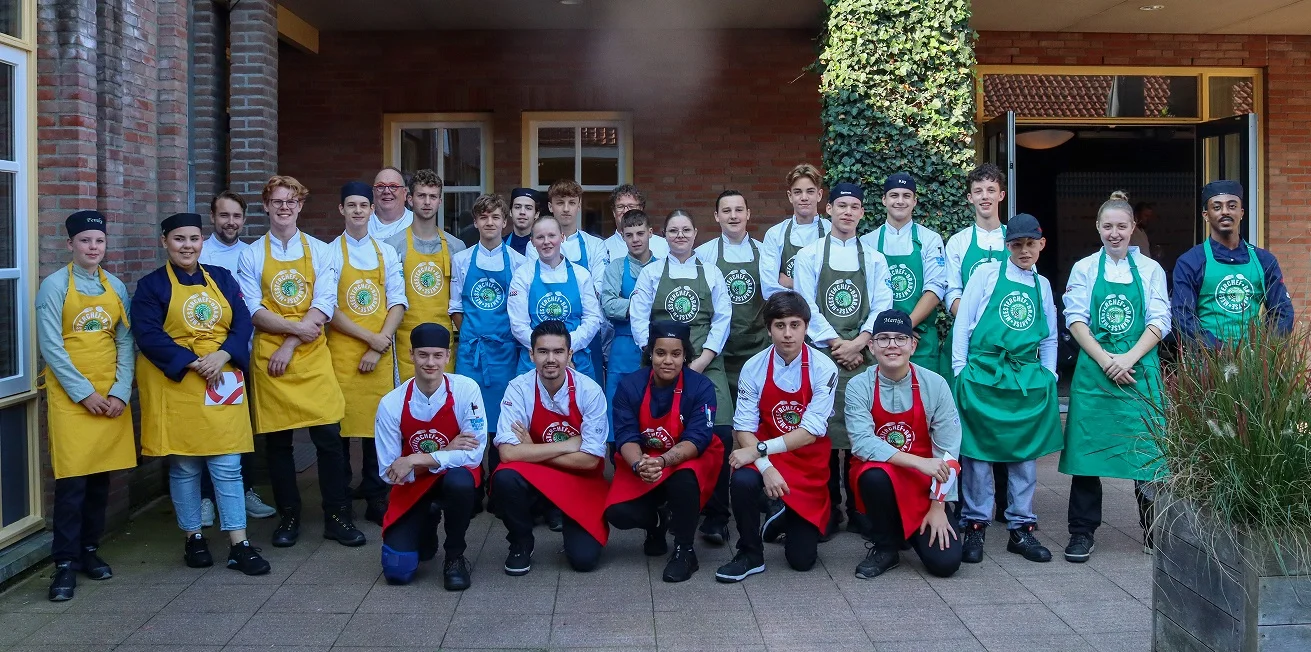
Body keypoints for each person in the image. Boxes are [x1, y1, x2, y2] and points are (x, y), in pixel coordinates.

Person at [131, 212, 270, 576]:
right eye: (179, 239)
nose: (187, 246)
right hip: (176, 382)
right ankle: (193, 537)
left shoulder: (222, 278)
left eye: (194, 239)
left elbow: (242, 321)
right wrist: (193, 362)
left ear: (201, 242)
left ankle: (239, 543)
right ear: (165, 242)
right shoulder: (150, 286)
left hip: (221, 379)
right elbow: (147, 335)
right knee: (185, 465)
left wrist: (222, 355)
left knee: (227, 466)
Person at [236, 175, 365, 548]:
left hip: (308, 356)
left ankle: (337, 516)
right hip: (268, 358)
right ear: (266, 205)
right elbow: (252, 309)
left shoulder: (321, 251)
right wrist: (297, 331)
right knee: (278, 445)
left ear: (301, 206)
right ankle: (288, 516)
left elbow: (323, 304)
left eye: (292, 201)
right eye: (278, 201)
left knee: (328, 437)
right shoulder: (252, 254)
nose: (285, 207)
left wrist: (289, 344)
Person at [1061, 191, 1170, 562]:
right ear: (1098, 227)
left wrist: (1127, 358)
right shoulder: (1085, 268)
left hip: (1140, 373)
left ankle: (1154, 530)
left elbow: (1159, 320)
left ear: (1132, 228)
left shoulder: (1152, 270)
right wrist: (1107, 360)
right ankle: (1081, 533)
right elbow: (1075, 319)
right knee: (1086, 457)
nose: (1114, 233)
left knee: (1148, 456)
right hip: (1096, 374)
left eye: (1121, 226)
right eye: (1107, 226)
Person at [36, 210, 137, 601]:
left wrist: (119, 391)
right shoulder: (54, 287)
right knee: (72, 483)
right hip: (72, 399)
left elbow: (126, 342)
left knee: (99, 480)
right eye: (85, 241)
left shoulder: (115, 286)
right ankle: (64, 564)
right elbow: (52, 347)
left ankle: (90, 552)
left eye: (99, 241)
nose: (93, 247)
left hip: (110, 397)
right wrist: (85, 394)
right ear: (70, 245)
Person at [952, 213, 1061, 564]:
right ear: (1006, 245)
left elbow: (1050, 336)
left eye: (1031, 244)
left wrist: (1049, 376)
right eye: (1017, 244)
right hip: (983, 376)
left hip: (1026, 380)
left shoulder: (1041, 285)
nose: (1024, 250)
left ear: (1041, 245)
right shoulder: (985, 275)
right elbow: (963, 324)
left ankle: (1021, 529)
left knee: (1024, 457)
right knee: (978, 457)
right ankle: (975, 526)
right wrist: (960, 372)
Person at [715, 291, 838, 582]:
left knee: (802, 561)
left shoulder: (824, 368)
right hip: (768, 458)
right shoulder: (754, 367)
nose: (787, 334)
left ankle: (782, 516)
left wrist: (757, 450)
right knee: (743, 479)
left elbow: (810, 432)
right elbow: (743, 426)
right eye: (780, 325)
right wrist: (766, 466)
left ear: (806, 327)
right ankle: (749, 553)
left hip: (808, 464)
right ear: (769, 328)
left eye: (795, 325)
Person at [629, 210, 735, 544]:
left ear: (695, 233)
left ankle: (716, 515)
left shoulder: (712, 273)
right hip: (660, 365)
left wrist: (700, 362)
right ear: (663, 234)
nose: (679, 235)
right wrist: (660, 361)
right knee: (662, 433)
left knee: (719, 433)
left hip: (706, 362)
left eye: (685, 230)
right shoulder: (651, 272)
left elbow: (722, 319)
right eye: (673, 230)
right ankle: (667, 506)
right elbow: (639, 316)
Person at [794, 182, 893, 537]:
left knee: (858, 435)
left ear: (863, 213)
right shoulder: (809, 256)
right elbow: (806, 306)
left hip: (864, 358)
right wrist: (838, 343)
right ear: (829, 210)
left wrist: (861, 342)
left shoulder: (876, 259)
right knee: (823, 437)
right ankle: (830, 509)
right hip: (822, 358)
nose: (848, 212)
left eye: (854, 206)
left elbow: (882, 303)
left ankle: (859, 508)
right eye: (841, 206)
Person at [845, 309, 963, 579]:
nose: (892, 346)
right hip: (884, 478)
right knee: (873, 476)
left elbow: (948, 452)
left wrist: (938, 506)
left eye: (900, 338)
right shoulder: (859, 386)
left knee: (946, 564)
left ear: (913, 344)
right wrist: (919, 462)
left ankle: (906, 529)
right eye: (884, 339)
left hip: (925, 485)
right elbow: (862, 444)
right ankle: (885, 547)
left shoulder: (936, 384)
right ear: (872, 346)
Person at [604, 321, 723, 582]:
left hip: (682, 460)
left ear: (685, 356)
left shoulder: (701, 387)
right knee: (617, 512)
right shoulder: (630, 386)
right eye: (660, 353)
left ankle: (685, 550)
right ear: (649, 354)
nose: (667, 361)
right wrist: (638, 465)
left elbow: (698, 438)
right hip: (642, 459)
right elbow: (625, 435)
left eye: (676, 354)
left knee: (684, 480)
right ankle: (657, 522)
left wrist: (664, 460)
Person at [492, 320, 611, 574]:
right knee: (504, 477)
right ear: (531, 354)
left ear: (570, 354)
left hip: (581, 480)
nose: (550, 359)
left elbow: (590, 461)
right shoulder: (518, 389)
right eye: (543, 351)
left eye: (558, 352)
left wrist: (533, 448)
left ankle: (566, 518)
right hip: (540, 477)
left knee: (584, 561)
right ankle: (521, 542)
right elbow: (507, 453)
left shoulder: (589, 391)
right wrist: (568, 445)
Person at [374, 323, 484, 590]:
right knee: (397, 572)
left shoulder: (466, 390)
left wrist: (414, 459)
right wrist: (447, 451)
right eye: (423, 355)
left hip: (451, 480)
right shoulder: (391, 403)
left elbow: (473, 455)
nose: (430, 362)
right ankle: (429, 516)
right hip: (413, 487)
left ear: (448, 356)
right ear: (411, 354)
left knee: (460, 480)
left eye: (437, 355)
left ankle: (455, 556)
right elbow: (390, 472)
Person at [328, 182, 408, 526]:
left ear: (372, 210)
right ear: (341, 210)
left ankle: (377, 495)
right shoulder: (327, 253)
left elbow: (398, 301)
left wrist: (381, 342)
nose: (358, 210)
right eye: (352, 205)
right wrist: (369, 340)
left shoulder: (386, 253)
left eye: (364, 205)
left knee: (379, 426)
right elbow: (327, 307)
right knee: (340, 429)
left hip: (379, 352)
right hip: (340, 353)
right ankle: (341, 499)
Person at [196, 191, 277, 522]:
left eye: (236, 216)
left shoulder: (252, 254)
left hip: (245, 355)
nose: (230, 222)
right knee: (210, 427)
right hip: (211, 358)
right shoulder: (200, 253)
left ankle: (244, 492)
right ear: (212, 217)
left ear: (245, 219)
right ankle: (205, 497)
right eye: (224, 215)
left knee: (243, 428)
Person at [944, 163, 1011, 521]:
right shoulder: (957, 242)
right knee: (971, 421)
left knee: (1004, 420)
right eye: (978, 191)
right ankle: (970, 501)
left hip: (1008, 348)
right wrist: (972, 322)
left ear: (1001, 194)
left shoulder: (1013, 238)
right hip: (970, 343)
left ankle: (1003, 502)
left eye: (991, 190)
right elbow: (952, 291)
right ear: (969, 197)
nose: (985, 197)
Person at [450, 194, 527, 507]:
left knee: (502, 420)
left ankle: (498, 484)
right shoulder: (462, 260)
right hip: (472, 351)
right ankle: (472, 484)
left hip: (505, 351)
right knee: (470, 417)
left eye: (495, 217)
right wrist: (471, 335)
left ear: (504, 222)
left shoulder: (520, 263)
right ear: (476, 222)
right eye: (484, 218)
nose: (490, 223)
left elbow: (520, 309)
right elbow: (456, 306)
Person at [1172, 180, 1293, 347]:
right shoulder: (1190, 262)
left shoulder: (1265, 260)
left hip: (1254, 362)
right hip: (1206, 363)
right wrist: (1217, 349)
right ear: (1205, 215)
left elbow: (1283, 312)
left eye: (1232, 206)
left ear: (1242, 212)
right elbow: (1182, 316)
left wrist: (1264, 350)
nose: (1225, 212)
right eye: (1217, 207)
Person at [860, 172, 950, 379]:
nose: (900, 201)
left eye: (906, 195)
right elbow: (866, 293)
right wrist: (892, 333)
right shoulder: (868, 241)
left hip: (921, 340)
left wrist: (905, 327)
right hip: (881, 340)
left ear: (915, 200)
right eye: (894, 195)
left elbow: (935, 289)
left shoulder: (930, 239)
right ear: (884, 200)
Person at [384, 169, 466, 378]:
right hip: (404, 342)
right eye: (421, 196)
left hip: (443, 343)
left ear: (440, 201)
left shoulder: (456, 247)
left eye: (433, 196)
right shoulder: (392, 247)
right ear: (410, 199)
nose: (427, 202)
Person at [508, 215, 605, 382]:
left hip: (576, 358)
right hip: (534, 363)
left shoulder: (581, 275)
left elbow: (593, 319)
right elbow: (518, 325)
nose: (546, 241)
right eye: (540, 237)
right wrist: (547, 352)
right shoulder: (523, 275)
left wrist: (565, 350)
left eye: (551, 235)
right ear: (532, 241)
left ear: (562, 237)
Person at [694, 190, 770, 404]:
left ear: (748, 214)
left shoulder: (765, 253)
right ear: (717, 216)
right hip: (720, 350)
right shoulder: (703, 254)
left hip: (758, 346)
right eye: (726, 211)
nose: (733, 216)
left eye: (739, 210)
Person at [601, 209, 661, 435]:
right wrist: (645, 306)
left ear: (650, 233)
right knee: (620, 405)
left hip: (655, 346)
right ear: (622, 236)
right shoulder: (616, 267)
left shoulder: (663, 267)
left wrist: (628, 303)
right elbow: (608, 305)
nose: (635, 239)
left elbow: (666, 307)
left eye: (640, 233)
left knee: (653, 402)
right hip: (623, 347)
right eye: (629, 235)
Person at [760, 163, 832, 298]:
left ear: (819, 195)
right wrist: (812, 286)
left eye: (810, 191)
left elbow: (832, 283)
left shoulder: (831, 232)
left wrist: (790, 282)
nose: (804, 197)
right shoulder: (775, 234)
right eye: (798, 192)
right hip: (788, 314)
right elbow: (769, 288)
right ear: (790, 196)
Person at [367, 166, 467, 251]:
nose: (386, 191)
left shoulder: (454, 246)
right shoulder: (360, 224)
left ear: (405, 193)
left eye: (393, 186)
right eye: (380, 186)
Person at [601, 184, 668, 263]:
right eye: (620, 206)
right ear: (613, 212)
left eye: (631, 206)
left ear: (641, 209)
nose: (626, 211)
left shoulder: (663, 245)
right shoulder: (603, 248)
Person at [504, 188, 541, 256]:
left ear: (536, 214)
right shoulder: (501, 245)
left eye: (528, 208)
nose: (522, 212)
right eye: (517, 207)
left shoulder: (544, 245)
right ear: (510, 212)